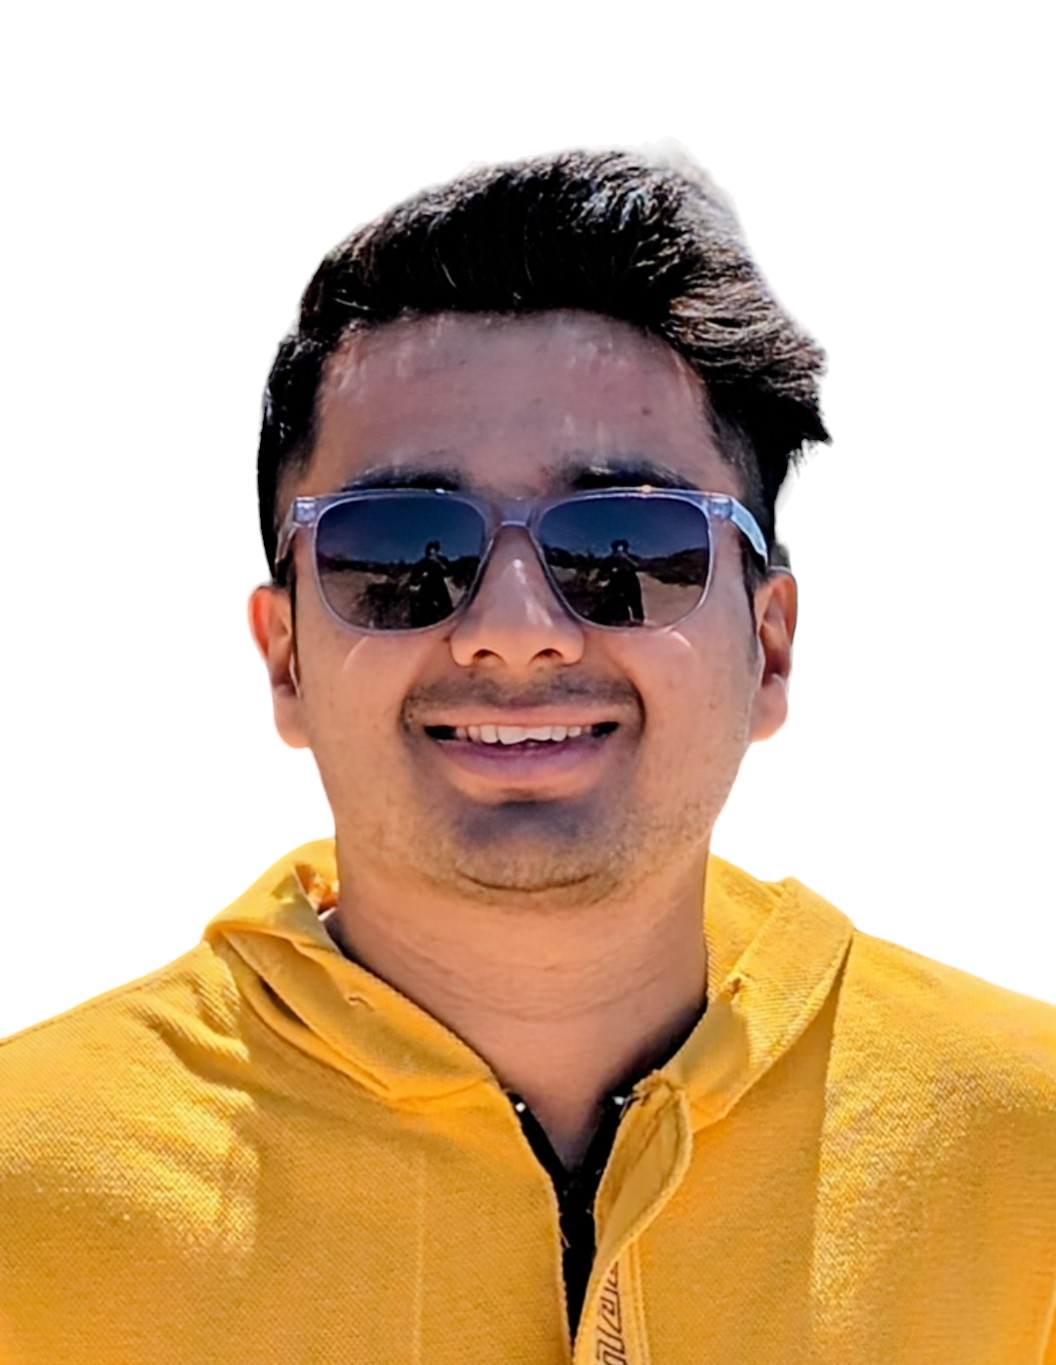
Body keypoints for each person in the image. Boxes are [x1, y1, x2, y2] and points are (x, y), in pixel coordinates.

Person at [1, 148, 1053, 1365]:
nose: (513, 630)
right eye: (401, 551)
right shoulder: (28, 1195)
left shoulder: (1029, 1160)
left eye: (627, 548)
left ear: (770, 647)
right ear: (284, 657)